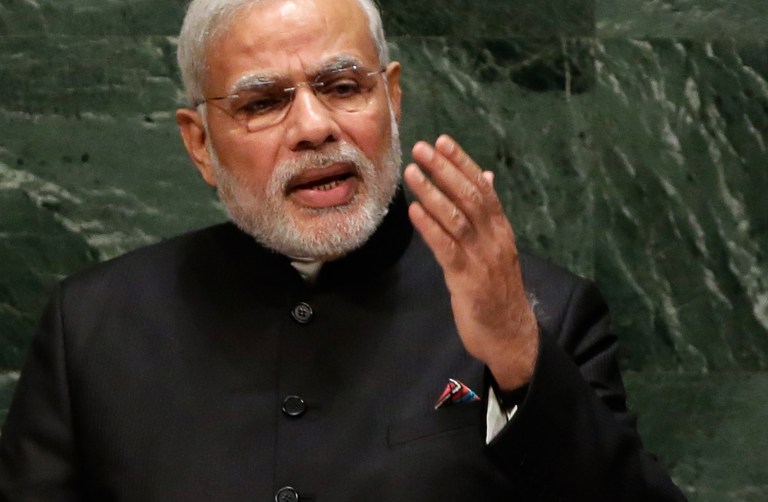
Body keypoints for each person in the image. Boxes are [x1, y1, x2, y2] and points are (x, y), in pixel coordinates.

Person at [0, 0, 687, 500]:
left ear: (390, 98)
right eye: (264, 101)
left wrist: (516, 354)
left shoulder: (547, 315)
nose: (314, 127)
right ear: (199, 143)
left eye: (342, 87)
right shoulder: (90, 327)